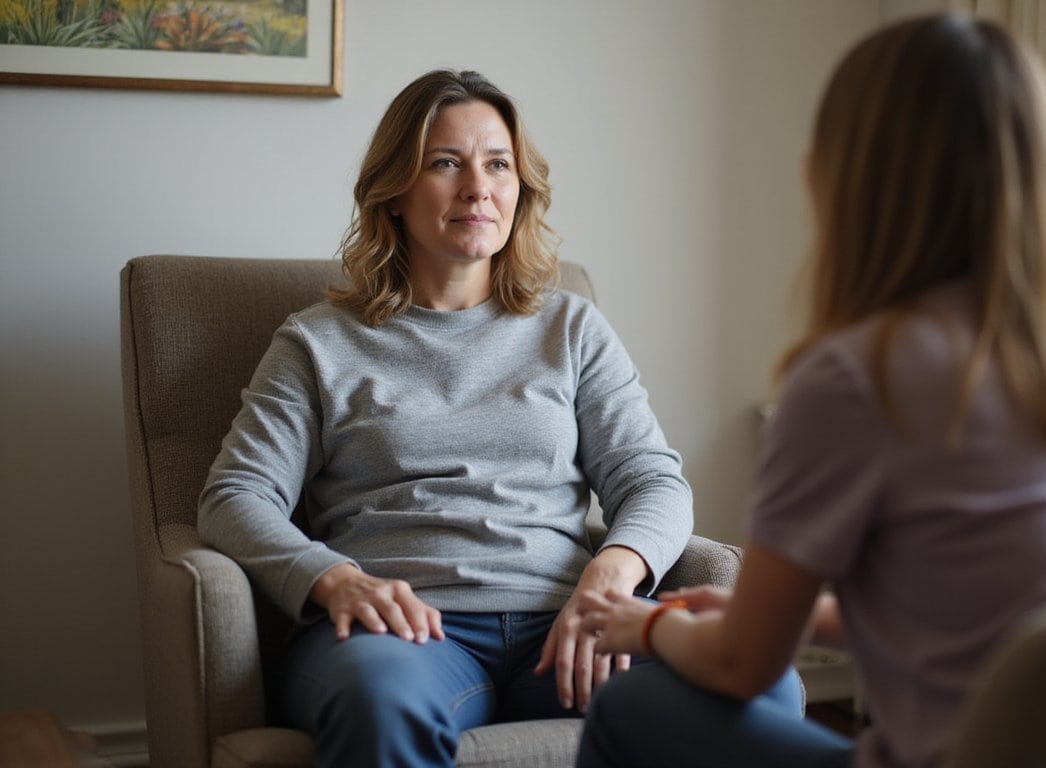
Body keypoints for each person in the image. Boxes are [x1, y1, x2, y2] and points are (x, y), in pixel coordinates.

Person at [574, 13, 1046, 768]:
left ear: (852, 174)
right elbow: (1019, 621)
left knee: (632, 708)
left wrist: (644, 627)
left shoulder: (859, 378)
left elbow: (739, 665)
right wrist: (802, 619)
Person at [197, 69, 697, 767]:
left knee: (737, 687)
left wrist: (614, 571)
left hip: (564, 627)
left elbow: (654, 480)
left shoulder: (571, 329)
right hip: (401, 637)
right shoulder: (319, 341)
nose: (478, 188)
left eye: (498, 164)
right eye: (445, 164)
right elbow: (234, 497)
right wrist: (333, 578)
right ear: (394, 192)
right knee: (379, 703)